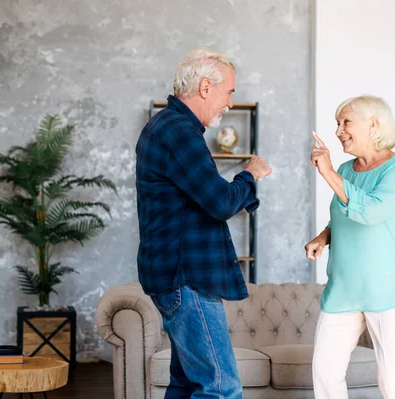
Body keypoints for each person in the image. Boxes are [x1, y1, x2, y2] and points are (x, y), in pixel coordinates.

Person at [135, 47, 272, 398]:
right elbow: (220, 202)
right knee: (221, 388)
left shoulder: (168, 127)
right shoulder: (178, 132)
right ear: (206, 87)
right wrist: (250, 174)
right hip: (186, 279)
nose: (229, 103)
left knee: (186, 384)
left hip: (175, 277)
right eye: (229, 92)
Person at [305, 95, 395, 399]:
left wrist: (328, 173)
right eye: (337, 123)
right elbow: (343, 217)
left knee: (394, 384)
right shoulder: (346, 171)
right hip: (345, 287)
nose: (338, 130)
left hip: (390, 290)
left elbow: (370, 212)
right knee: (325, 373)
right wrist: (324, 236)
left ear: (373, 125)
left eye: (346, 122)